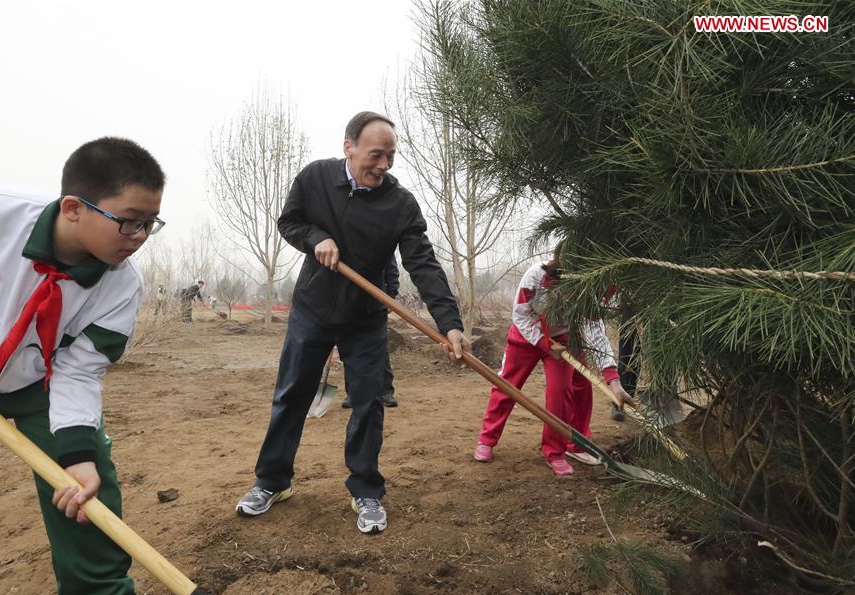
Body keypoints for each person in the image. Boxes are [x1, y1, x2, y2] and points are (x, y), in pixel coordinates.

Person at [0, 137, 166, 595]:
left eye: (150, 223)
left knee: (88, 485)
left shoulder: (121, 286)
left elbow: (79, 369)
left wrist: (76, 454)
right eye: (129, 220)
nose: (138, 236)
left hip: (40, 385)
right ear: (73, 207)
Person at [236, 111, 469, 534]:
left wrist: (449, 323)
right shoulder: (316, 179)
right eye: (376, 154)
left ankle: (365, 489)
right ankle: (273, 481)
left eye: (391, 156)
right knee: (291, 395)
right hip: (313, 309)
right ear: (349, 147)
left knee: (368, 401)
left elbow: (424, 264)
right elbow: (290, 222)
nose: (383, 165)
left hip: (365, 318)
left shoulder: (400, 203)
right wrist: (316, 239)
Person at [472, 253, 631, 476]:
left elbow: (595, 333)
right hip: (526, 336)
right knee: (506, 386)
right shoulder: (536, 277)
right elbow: (520, 316)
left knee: (563, 391)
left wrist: (613, 381)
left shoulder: (587, 289)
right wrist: (545, 343)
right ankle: (487, 439)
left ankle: (557, 451)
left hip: (564, 341)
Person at [342, 253, 399, 408]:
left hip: (376, 304)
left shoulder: (382, 240)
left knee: (379, 350)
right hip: (348, 305)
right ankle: (352, 393)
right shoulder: (345, 242)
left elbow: (391, 270)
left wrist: (391, 296)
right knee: (350, 350)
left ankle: (386, 391)